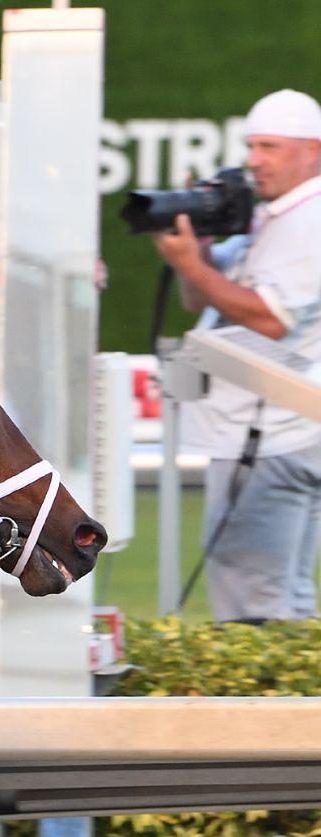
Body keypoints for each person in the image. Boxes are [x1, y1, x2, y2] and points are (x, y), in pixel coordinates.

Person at [157, 89, 321, 623]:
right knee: (284, 599)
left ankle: (275, 706)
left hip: (271, 434)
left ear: (312, 151)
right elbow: (197, 296)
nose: (254, 160)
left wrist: (196, 268)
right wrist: (194, 250)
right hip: (270, 431)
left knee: (254, 609)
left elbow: (270, 321)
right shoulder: (273, 216)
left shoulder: (310, 220)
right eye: (251, 146)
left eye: (270, 147)